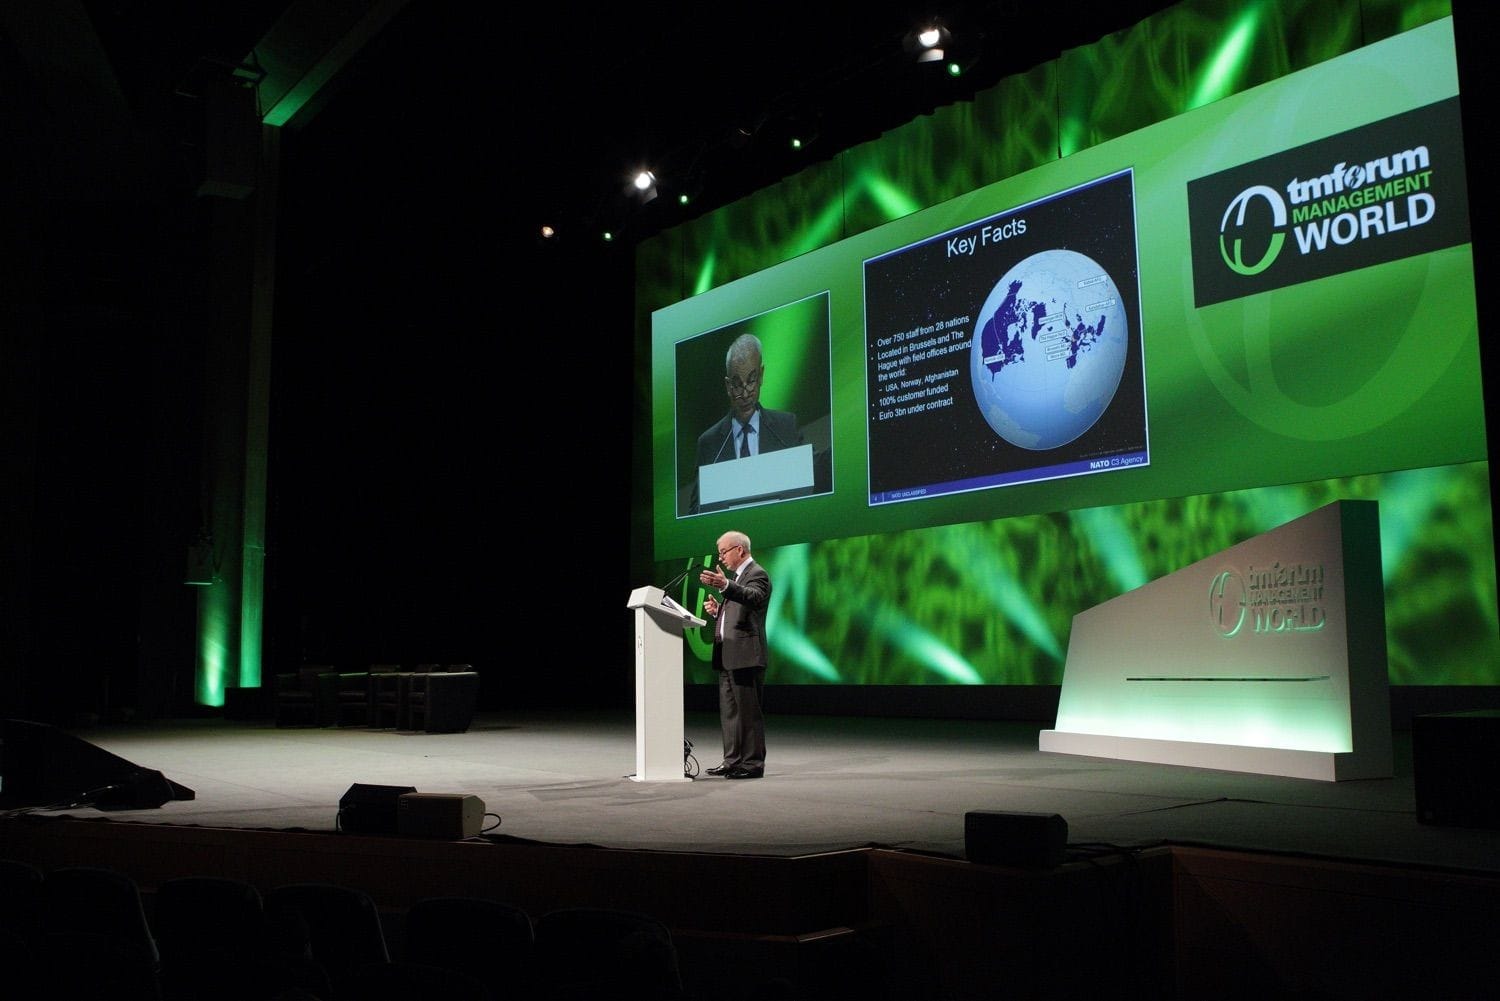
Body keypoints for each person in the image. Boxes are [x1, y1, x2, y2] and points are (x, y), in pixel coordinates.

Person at [698, 530, 769, 779]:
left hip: (746, 656)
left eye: (723, 552)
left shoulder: (756, 574)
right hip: (729, 654)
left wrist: (726, 585)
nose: (721, 558)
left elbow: (755, 598)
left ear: (739, 549)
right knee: (730, 713)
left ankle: (752, 765)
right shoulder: (739, 578)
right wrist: (719, 612)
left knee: (748, 713)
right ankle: (732, 761)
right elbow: (740, 615)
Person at [695, 333, 806, 469]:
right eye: (737, 384)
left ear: (761, 375)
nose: (745, 393)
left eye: (751, 380)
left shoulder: (785, 427)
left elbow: (810, 469)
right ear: (728, 386)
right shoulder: (708, 444)